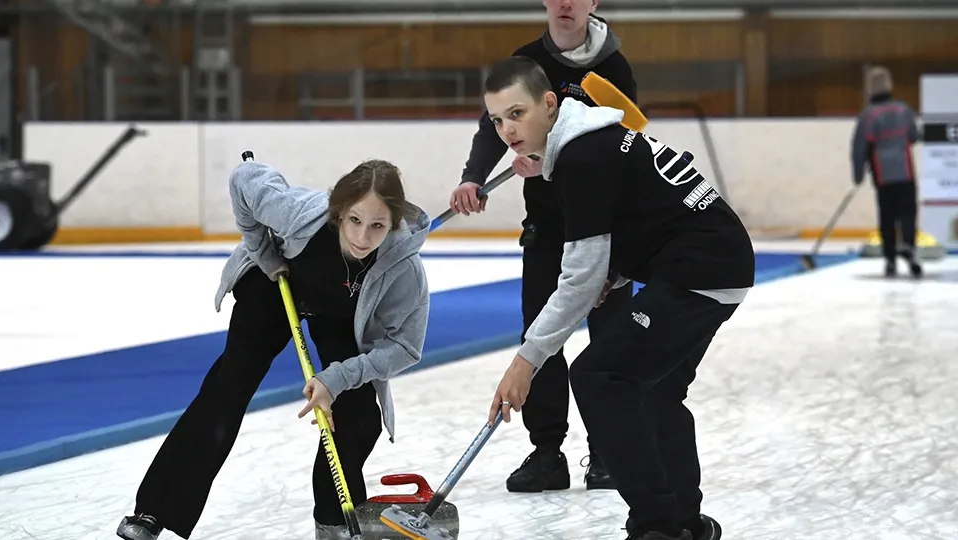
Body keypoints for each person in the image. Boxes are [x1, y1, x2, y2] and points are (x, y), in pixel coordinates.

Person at [482, 56, 755, 540]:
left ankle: (657, 526)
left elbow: (580, 278)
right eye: (498, 119)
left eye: (517, 114)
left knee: (598, 377)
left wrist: (526, 361)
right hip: (715, 260)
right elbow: (647, 215)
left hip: (701, 268)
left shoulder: (583, 157)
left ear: (550, 103)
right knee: (656, 390)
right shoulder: (591, 143)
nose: (507, 130)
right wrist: (617, 272)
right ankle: (684, 524)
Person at [116, 158, 432, 540]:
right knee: (229, 386)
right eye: (354, 220)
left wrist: (337, 378)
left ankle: (334, 523)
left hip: (338, 316)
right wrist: (265, 256)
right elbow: (244, 179)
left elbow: (405, 346)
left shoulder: (403, 268)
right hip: (275, 285)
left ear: (394, 223)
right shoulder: (301, 214)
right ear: (338, 211)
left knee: (360, 415)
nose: (363, 237)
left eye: (378, 226)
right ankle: (155, 511)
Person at [449, 0, 637, 493]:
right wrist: (473, 177)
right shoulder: (526, 59)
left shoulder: (614, 67)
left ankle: (611, 450)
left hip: (605, 227)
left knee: (613, 340)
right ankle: (547, 451)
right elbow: (495, 129)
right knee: (540, 332)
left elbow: (625, 141)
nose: (566, 3)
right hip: (548, 226)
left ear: (593, 2)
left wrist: (550, 153)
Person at [851, 65, 923, 278]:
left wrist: (858, 174)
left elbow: (858, 149)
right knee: (908, 213)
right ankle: (909, 247)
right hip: (905, 172)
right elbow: (914, 135)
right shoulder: (903, 110)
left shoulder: (868, 116)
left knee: (887, 216)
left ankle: (890, 258)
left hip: (883, 176)